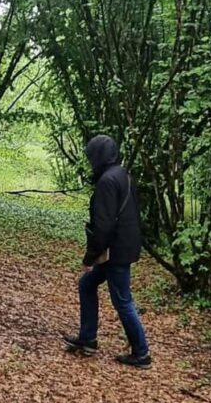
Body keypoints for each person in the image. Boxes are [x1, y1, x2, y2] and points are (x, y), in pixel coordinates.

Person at [63, 135, 151, 369]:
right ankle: (87, 338)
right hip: (124, 245)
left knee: (122, 300)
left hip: (115, 250)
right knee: (87, 285)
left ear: (99, 156)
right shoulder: (123, 175)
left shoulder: (107, 181)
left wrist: (91, 256)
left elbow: (103, 225)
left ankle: (141, 353)